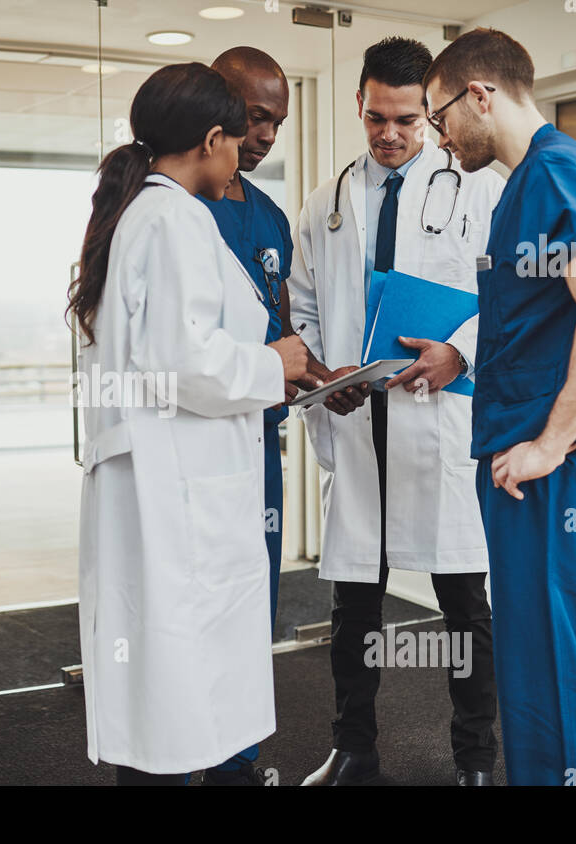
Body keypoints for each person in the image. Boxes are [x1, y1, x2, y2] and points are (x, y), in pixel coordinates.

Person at [67, 62, 309, 785]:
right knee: (173, 682)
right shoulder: (174, 218)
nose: (244, 155)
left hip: (167, 477)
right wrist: (277, 364)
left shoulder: (142, 212)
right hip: (177, 488)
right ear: (211, 140)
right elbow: (186, 364)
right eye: (238, 140)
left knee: (166, 685)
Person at [423, 28, 576, 785]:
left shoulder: (558, 171)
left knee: (553, 663)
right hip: (522, 469)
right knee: (528, 659)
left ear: (479, 95)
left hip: (554, 471)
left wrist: (551, 442)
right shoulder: (523, 185)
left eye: (438, 115)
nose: (439, 136)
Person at [288, 37, 504, 786]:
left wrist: (461, 351)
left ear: (431, 112)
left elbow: (511, 297)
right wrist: (323, 371)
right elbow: (304, 306)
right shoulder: (327, 200)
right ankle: (354, 749)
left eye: (407, 121)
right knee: (353, 606)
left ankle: (476, 761)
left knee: (466, 609)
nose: (389, 134)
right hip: (359, 426)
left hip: (437, 422)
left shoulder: (476, 185)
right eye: (377, 117)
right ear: (359, 103)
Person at [194, 45, 315, 786]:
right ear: (216, 107)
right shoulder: (169, 205)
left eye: (278, 121)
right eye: (255, 116)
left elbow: (284, 331)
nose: (267, 135)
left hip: (256, 448)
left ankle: (237, 763)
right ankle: (181, 755)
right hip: (193, 449)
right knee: (194, 609)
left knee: (250, 607)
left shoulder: (268, 216)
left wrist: (323, 376)